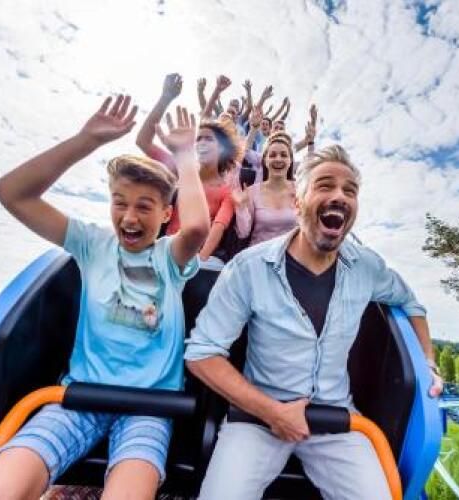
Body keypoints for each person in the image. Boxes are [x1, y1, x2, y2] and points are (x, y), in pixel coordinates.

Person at [0, 97, 210, 500]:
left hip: (149, 407)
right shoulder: (92, 245)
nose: (129, 217)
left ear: (167, 215)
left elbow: (198, 228)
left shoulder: (168, 257)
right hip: (79, 398)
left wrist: (185, 156)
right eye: (120, 203)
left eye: (144, 207)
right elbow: (11, 193)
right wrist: (86, 140)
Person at [185, 145, 442, 499]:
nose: (339, 196)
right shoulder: (247, 268)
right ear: (297, 204)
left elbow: (411, 303)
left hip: (336, 419)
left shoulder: (366, 267)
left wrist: (428, 361)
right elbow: (201, 354)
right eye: (325, 186)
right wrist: (273, 413)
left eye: (349, 190)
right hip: (258, 420)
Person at [137, 74, 244, 262]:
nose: (201, 143)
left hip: (192, 259)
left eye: (208, 139)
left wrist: (197, 261)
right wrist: (165, 98)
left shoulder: (226, 192)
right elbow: (143, 141)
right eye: (199, 138)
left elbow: (218, 227)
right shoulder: (183, 168)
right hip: (162, 251)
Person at [233, 131, 297, 246]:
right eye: (272, 155)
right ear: (265, 161)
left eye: (283, 155)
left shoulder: (300, 190)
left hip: (290, 252)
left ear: (290, 160)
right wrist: (241, 207)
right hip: (259, 252)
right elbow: (243, 233)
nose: (278, 159)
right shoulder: (251, 191)